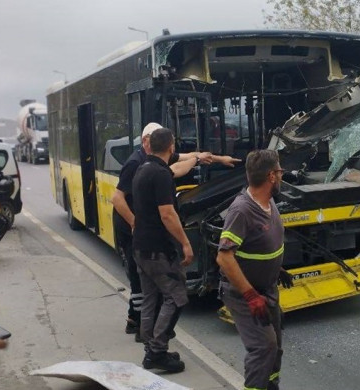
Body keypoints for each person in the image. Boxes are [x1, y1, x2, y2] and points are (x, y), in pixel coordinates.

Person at [112, 122, 240, 340]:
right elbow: (121, 200)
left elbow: (186, 160)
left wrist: (218, 159)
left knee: (151, 292)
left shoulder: (151, 166)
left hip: (144, 238)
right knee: (166, 293)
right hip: (136, 233)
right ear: (148, 142)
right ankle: (149, 336)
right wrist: (136, 224)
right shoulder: (137, 164)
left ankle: (146, 337)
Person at [216, 149, 294, 390]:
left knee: (275, 347)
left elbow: (262, 244)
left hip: (267, 288)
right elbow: (224, 257)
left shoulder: (269, 201)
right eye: (279, 171)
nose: (281, 176)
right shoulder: (242, 210)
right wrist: (250, 295)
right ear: (271, 176)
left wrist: (275, 269)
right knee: (263, 347)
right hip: (244, 295)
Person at [132, 127, 194, 373]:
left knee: (151, 297)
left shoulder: (142, 169)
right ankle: (158, 351)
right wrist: (186, 243)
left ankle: (151, 347)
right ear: (171, 146)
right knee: (176, 296)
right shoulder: (160, 174)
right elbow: (167, 214)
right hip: (158, 249)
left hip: (141, 246)